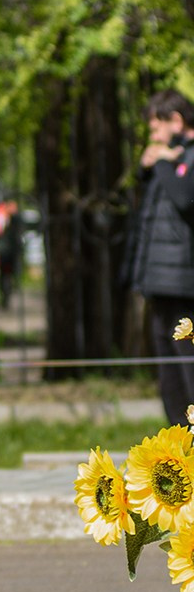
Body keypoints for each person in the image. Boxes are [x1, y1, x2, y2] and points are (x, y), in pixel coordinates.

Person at [122, 89, 194, 426]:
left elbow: (184, 201)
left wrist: (163, 161)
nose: (153, 138)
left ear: (176, 121)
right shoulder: (172, 158)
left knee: (189, 369)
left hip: (184, 286)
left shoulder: (187, 157)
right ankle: (178, 445)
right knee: (169, 376)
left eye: (156, 129)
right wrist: (149, 167)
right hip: (160, 284)